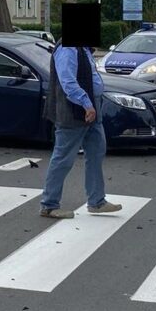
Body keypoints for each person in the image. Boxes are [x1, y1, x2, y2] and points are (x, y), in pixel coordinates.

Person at [39, 40, 122, 218]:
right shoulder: (68, 48)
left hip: (92, 107)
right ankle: (49, 205)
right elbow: (68, 82)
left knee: (96, 151)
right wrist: (86, 103)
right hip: (74, 110)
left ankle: (97, 202)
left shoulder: (83, 48)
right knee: (63, 157)